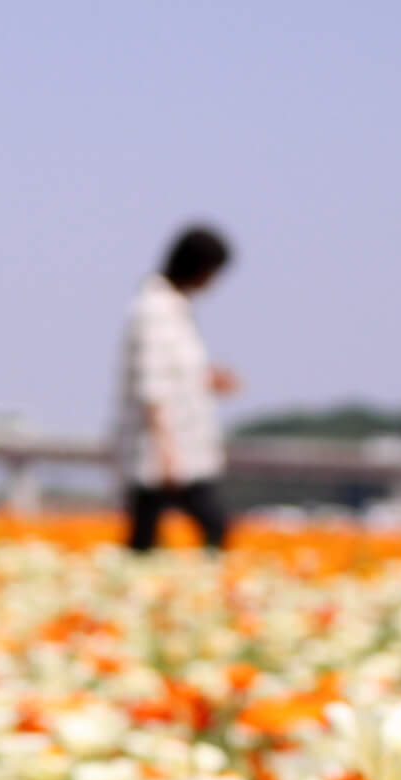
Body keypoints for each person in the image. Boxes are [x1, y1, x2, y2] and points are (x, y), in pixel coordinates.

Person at [113, 225, 240, 551]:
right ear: (199, 267)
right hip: (163, 447)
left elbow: (174, 374)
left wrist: (207, 379)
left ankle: (140, 588)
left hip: (174, 445)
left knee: (145, 537)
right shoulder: (155, 309)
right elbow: (151, 382)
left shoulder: (174, 308)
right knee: (211, 525)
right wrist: (165, 450)